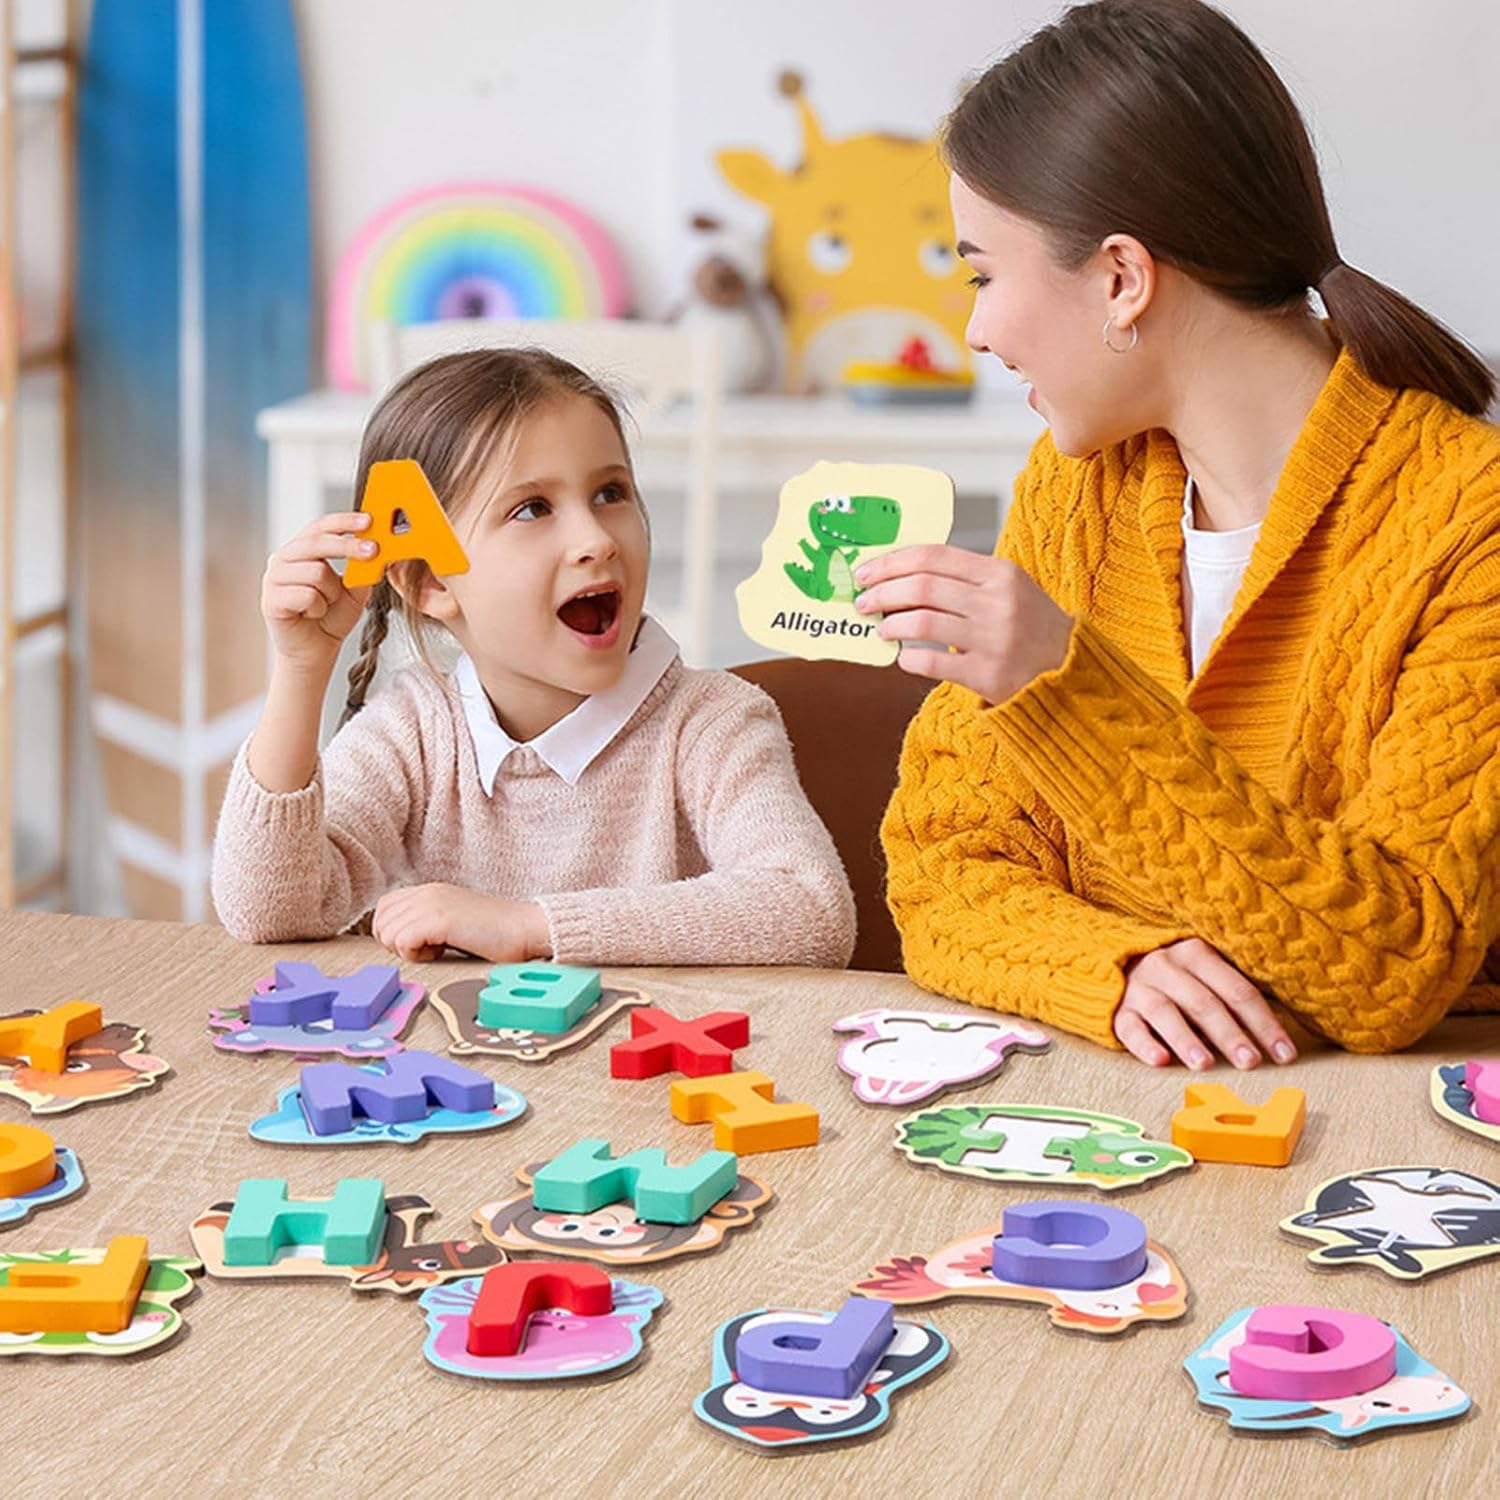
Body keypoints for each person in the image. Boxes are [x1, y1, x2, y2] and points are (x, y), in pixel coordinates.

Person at [863, 0, 1499, 1066]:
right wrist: (1111, 965)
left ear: (1122, 278)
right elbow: (938, 871)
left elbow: (1392, 966)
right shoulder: (1075, 491)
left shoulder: (1470, 523)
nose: (975, 329)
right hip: (1114, 1111)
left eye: (982, 274)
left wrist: (1063, 686)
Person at [212, 347, 855, 968]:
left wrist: (530, 926)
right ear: (430, 582)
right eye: (532, 509)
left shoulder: (713, 721)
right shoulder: (414, 731)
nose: (596, 539)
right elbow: (269, 912)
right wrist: (302, 669)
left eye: (610, 493)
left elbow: (812, 910)